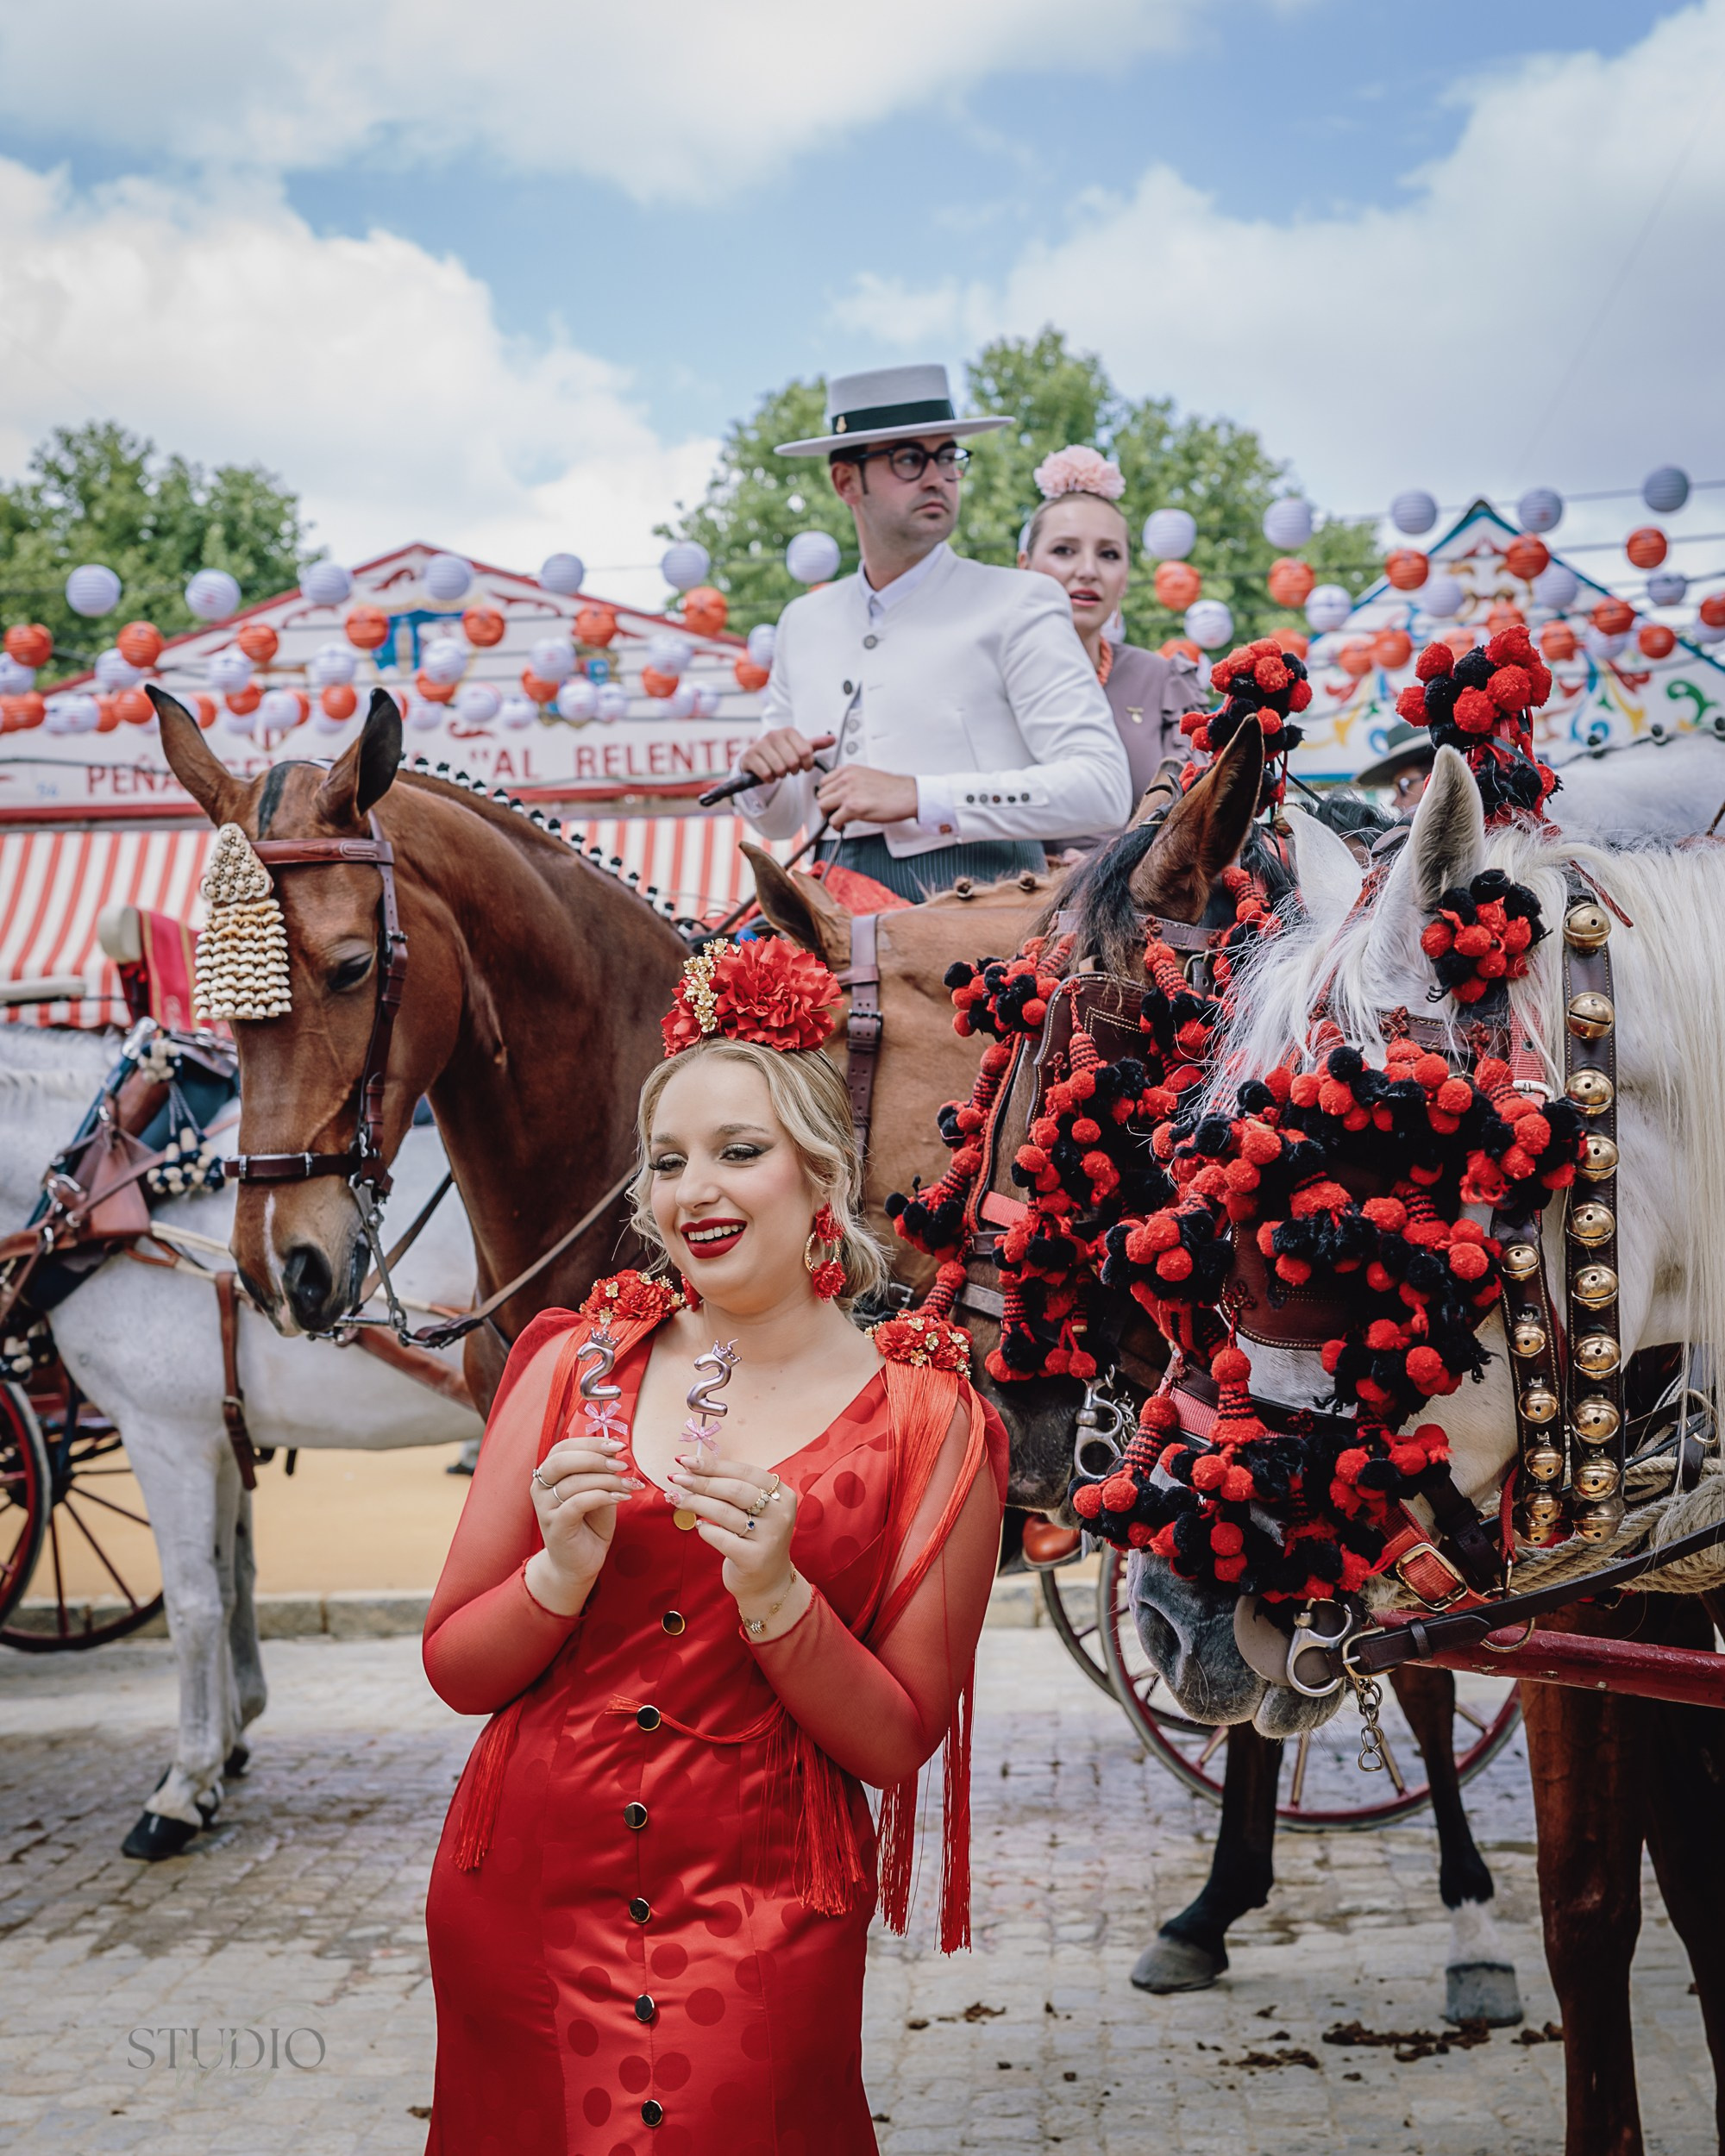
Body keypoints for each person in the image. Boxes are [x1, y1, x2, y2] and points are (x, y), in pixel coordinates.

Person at [421, 934, 1008, 2155]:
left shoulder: (929, 1421)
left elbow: (897, 1739)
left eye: (740, 1151)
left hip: (765, 1916)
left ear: (821, 1173)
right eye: (669, 1159)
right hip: (524, 1903)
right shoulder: (570, 1367)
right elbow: (457, 1668)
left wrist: (782, 1600)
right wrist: (555, 1576)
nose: (696, 1189)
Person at [735, 364, 1132, 901]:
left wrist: (921, 796)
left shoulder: (1020, 600)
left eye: (947, 457)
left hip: (986, 909)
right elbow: (781, 821)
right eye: (908, 459)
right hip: (829, 906)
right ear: (846, 481)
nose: (937, 477)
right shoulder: (802, 621)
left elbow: (1102, 788)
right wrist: (760, 778)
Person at [1017, 443, 1204, 805]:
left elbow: (1193, 816)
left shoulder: (1162, 681)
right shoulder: (982, 674)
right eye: (1064, 550)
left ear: (1124, 579)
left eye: (1108, 554)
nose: (1088, 570)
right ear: (1024, 566)